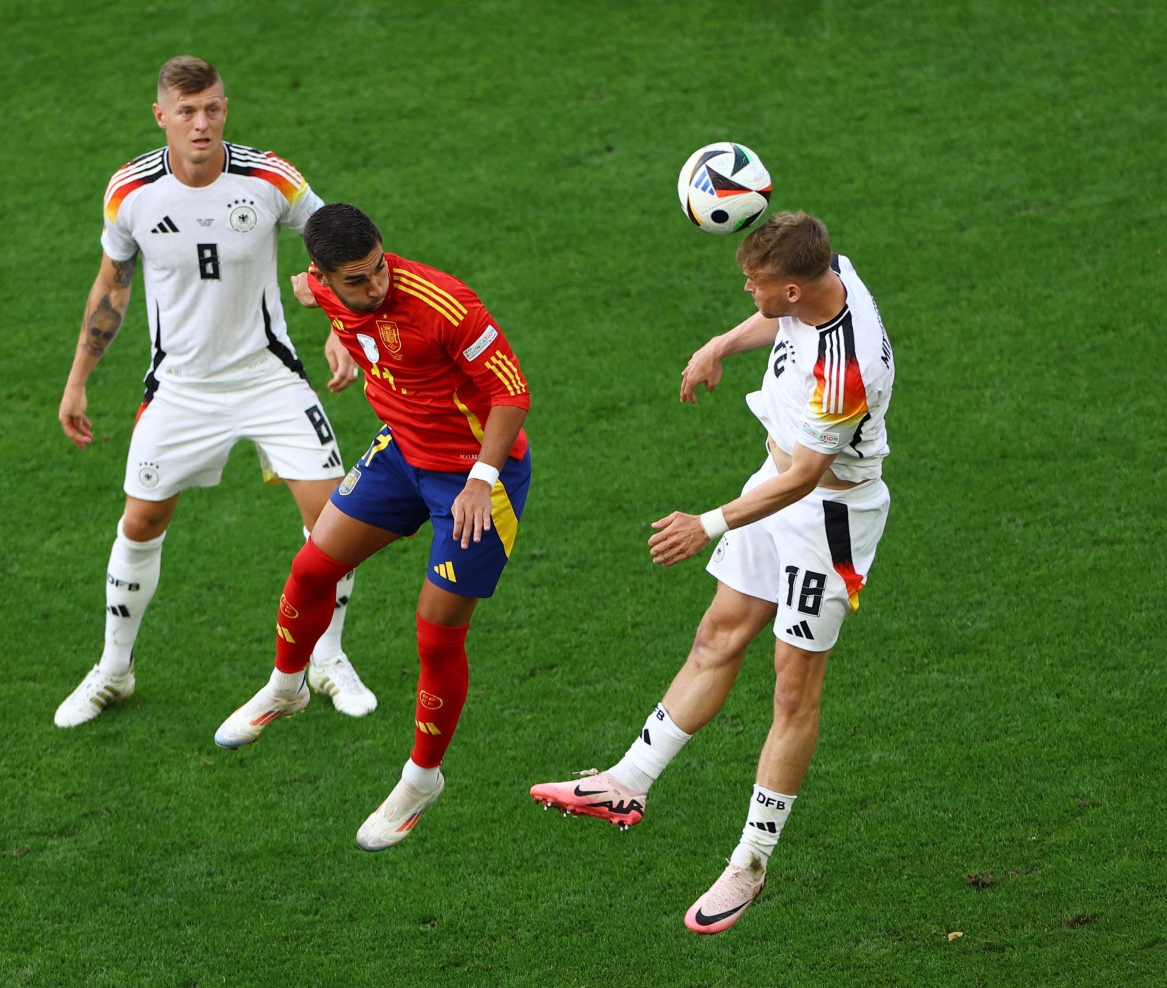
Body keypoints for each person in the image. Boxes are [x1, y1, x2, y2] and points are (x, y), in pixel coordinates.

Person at [530, 211, 894, 934]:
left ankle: (750, 862)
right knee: (717, 635)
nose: (747, 291)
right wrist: (721, 342)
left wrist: (710, 523)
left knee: (793, 689)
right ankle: (625, 782)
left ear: (792, 287)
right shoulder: (830, 274)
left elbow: (806, 479)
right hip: (777, 480)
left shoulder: (846, 366)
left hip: (826, 519)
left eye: (753, 284)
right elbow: (776, 325)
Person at [54, 56, 376, 728]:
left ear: (224, 108)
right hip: (180, 387)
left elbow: (337, 242)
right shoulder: (130, 192)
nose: (203, 123)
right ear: (162, 116)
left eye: (215, 108)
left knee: (334, 521)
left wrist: (341, 327)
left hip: (268, 377)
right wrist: (78, 379)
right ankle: (114, 669)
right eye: (188, 111)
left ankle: (326, 659)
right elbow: (113, 283)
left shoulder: (267, 178)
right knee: (140, 521)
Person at [214, 203, 531, 853]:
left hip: (472, 481)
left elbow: (512, 393)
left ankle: (420, 779)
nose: (376, 286)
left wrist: (481, 479)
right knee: (311, 568)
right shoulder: (318, 291)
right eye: (356, 281)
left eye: (379, 268)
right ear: (323, 278)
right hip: (401, 453)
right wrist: (343, 337)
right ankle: (286, 687)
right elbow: (327, 306)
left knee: (436, 633)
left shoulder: (446, 306)